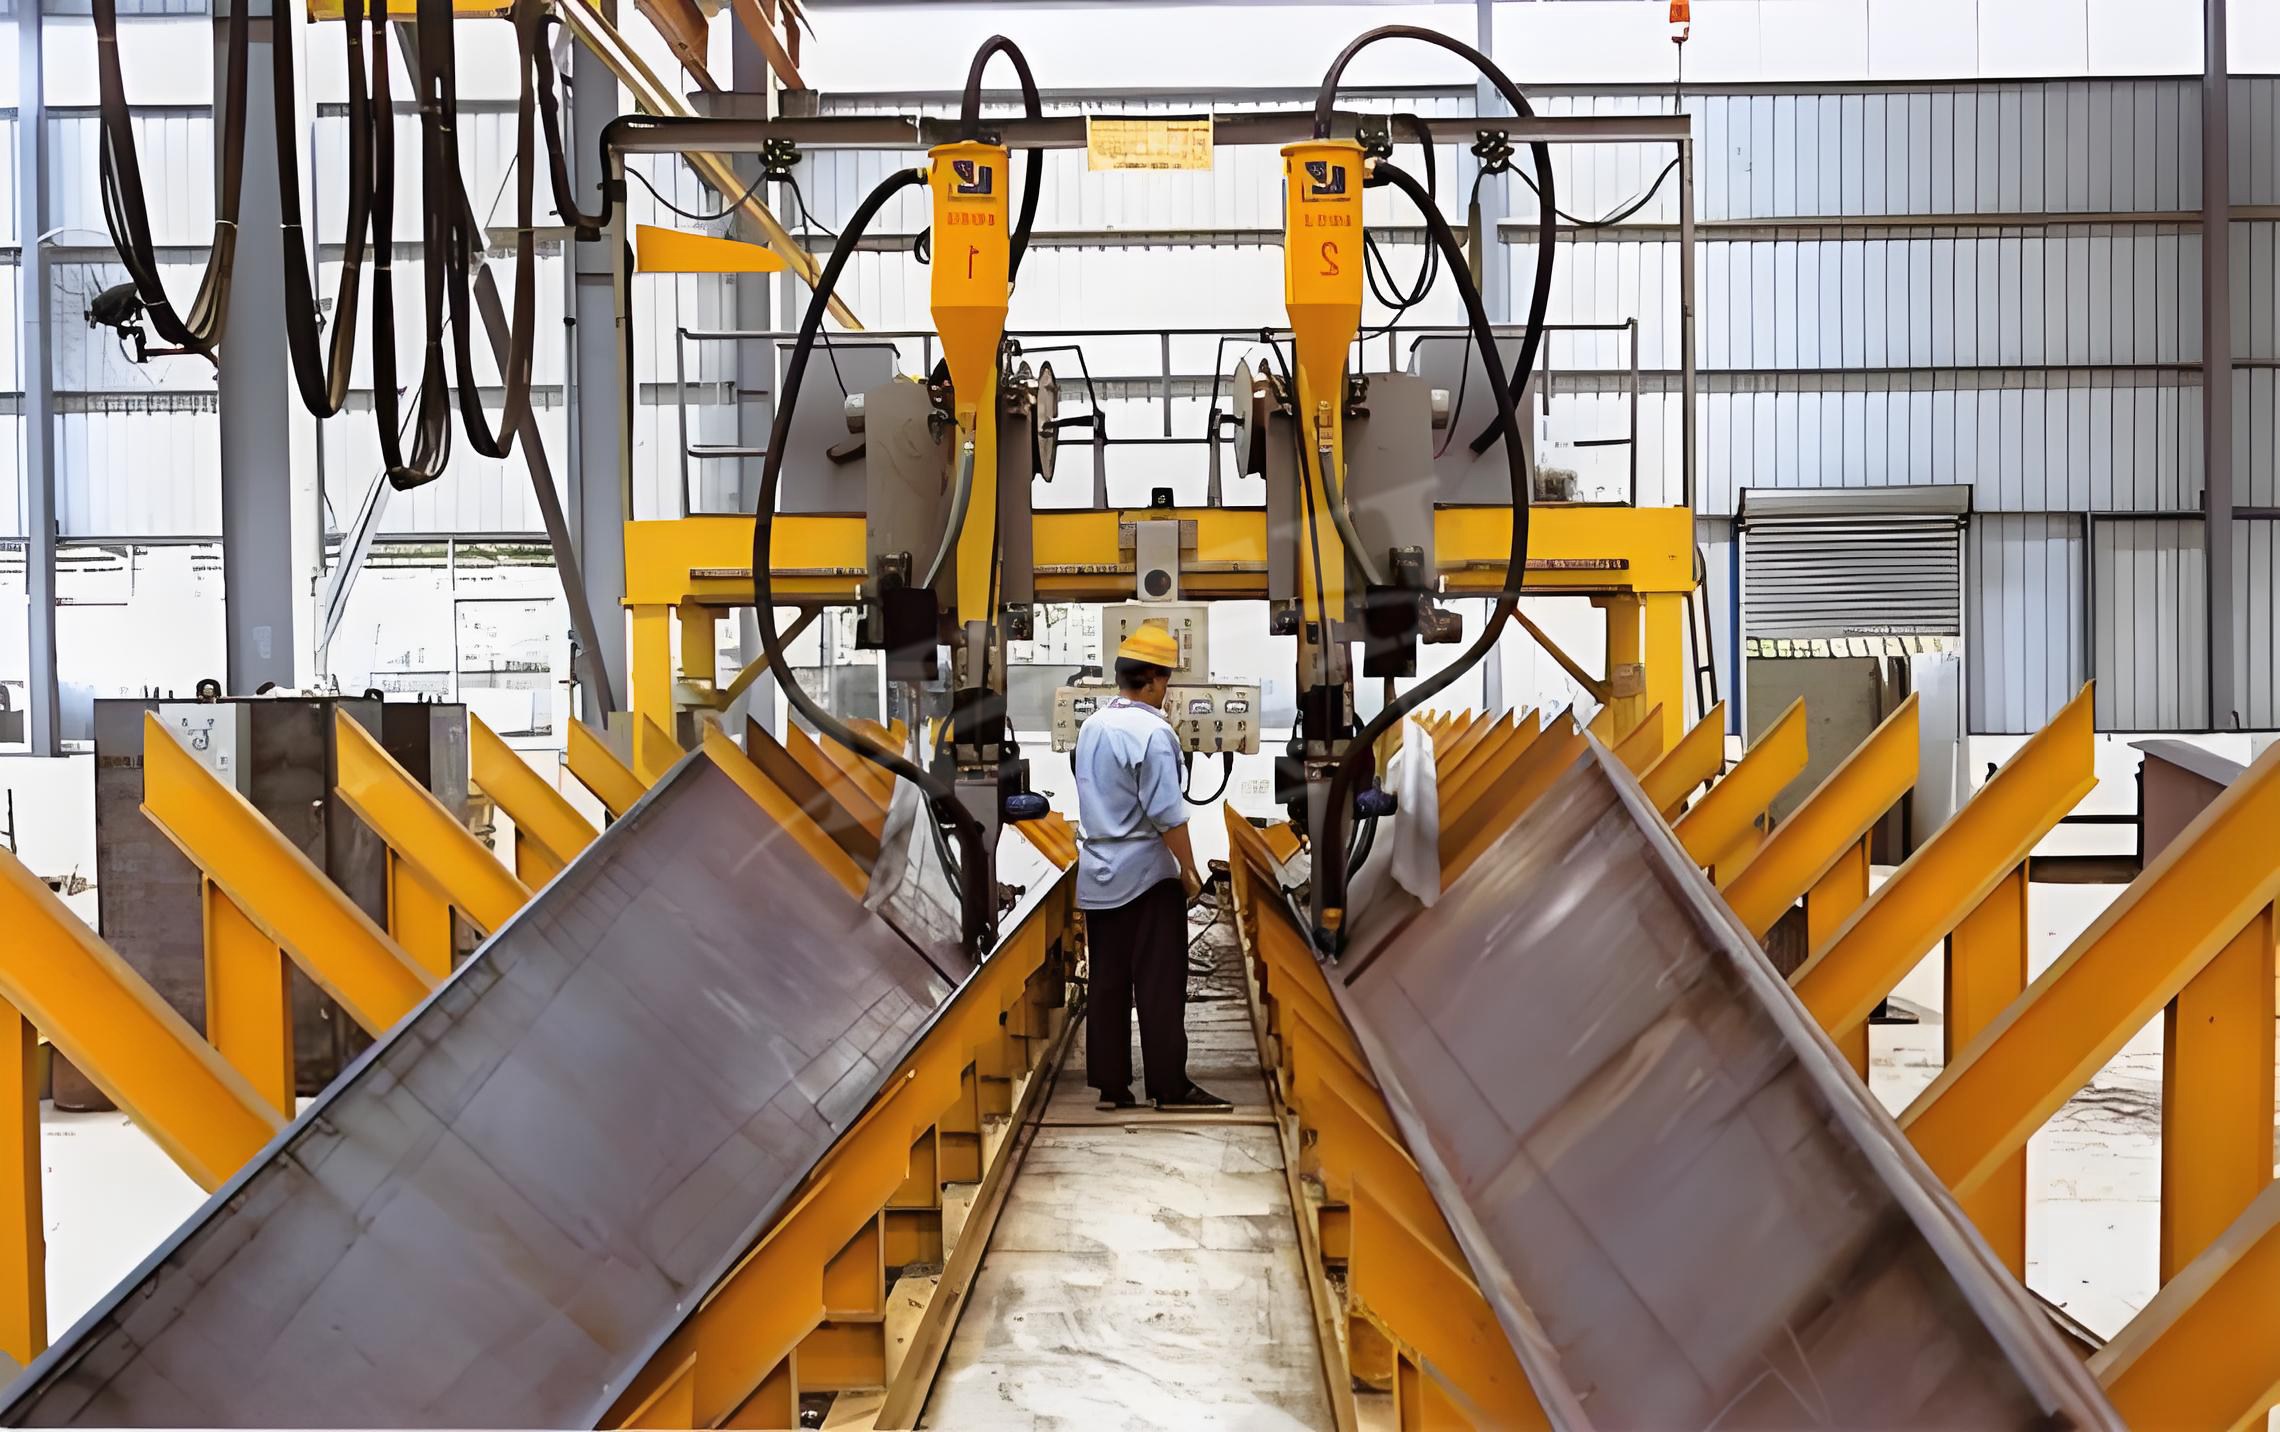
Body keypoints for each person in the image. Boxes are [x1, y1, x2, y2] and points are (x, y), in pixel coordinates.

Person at [1073, 621, 1230, 1112]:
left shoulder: (1093, 726)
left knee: (1108, 982)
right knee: (1160, 984)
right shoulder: (1155, 733)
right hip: (1145, 876)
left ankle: (1111, 1087)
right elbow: (1167, 815)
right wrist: (1190, 872)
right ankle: (1169, 1087)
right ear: (1157, 680)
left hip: (1098, 874)